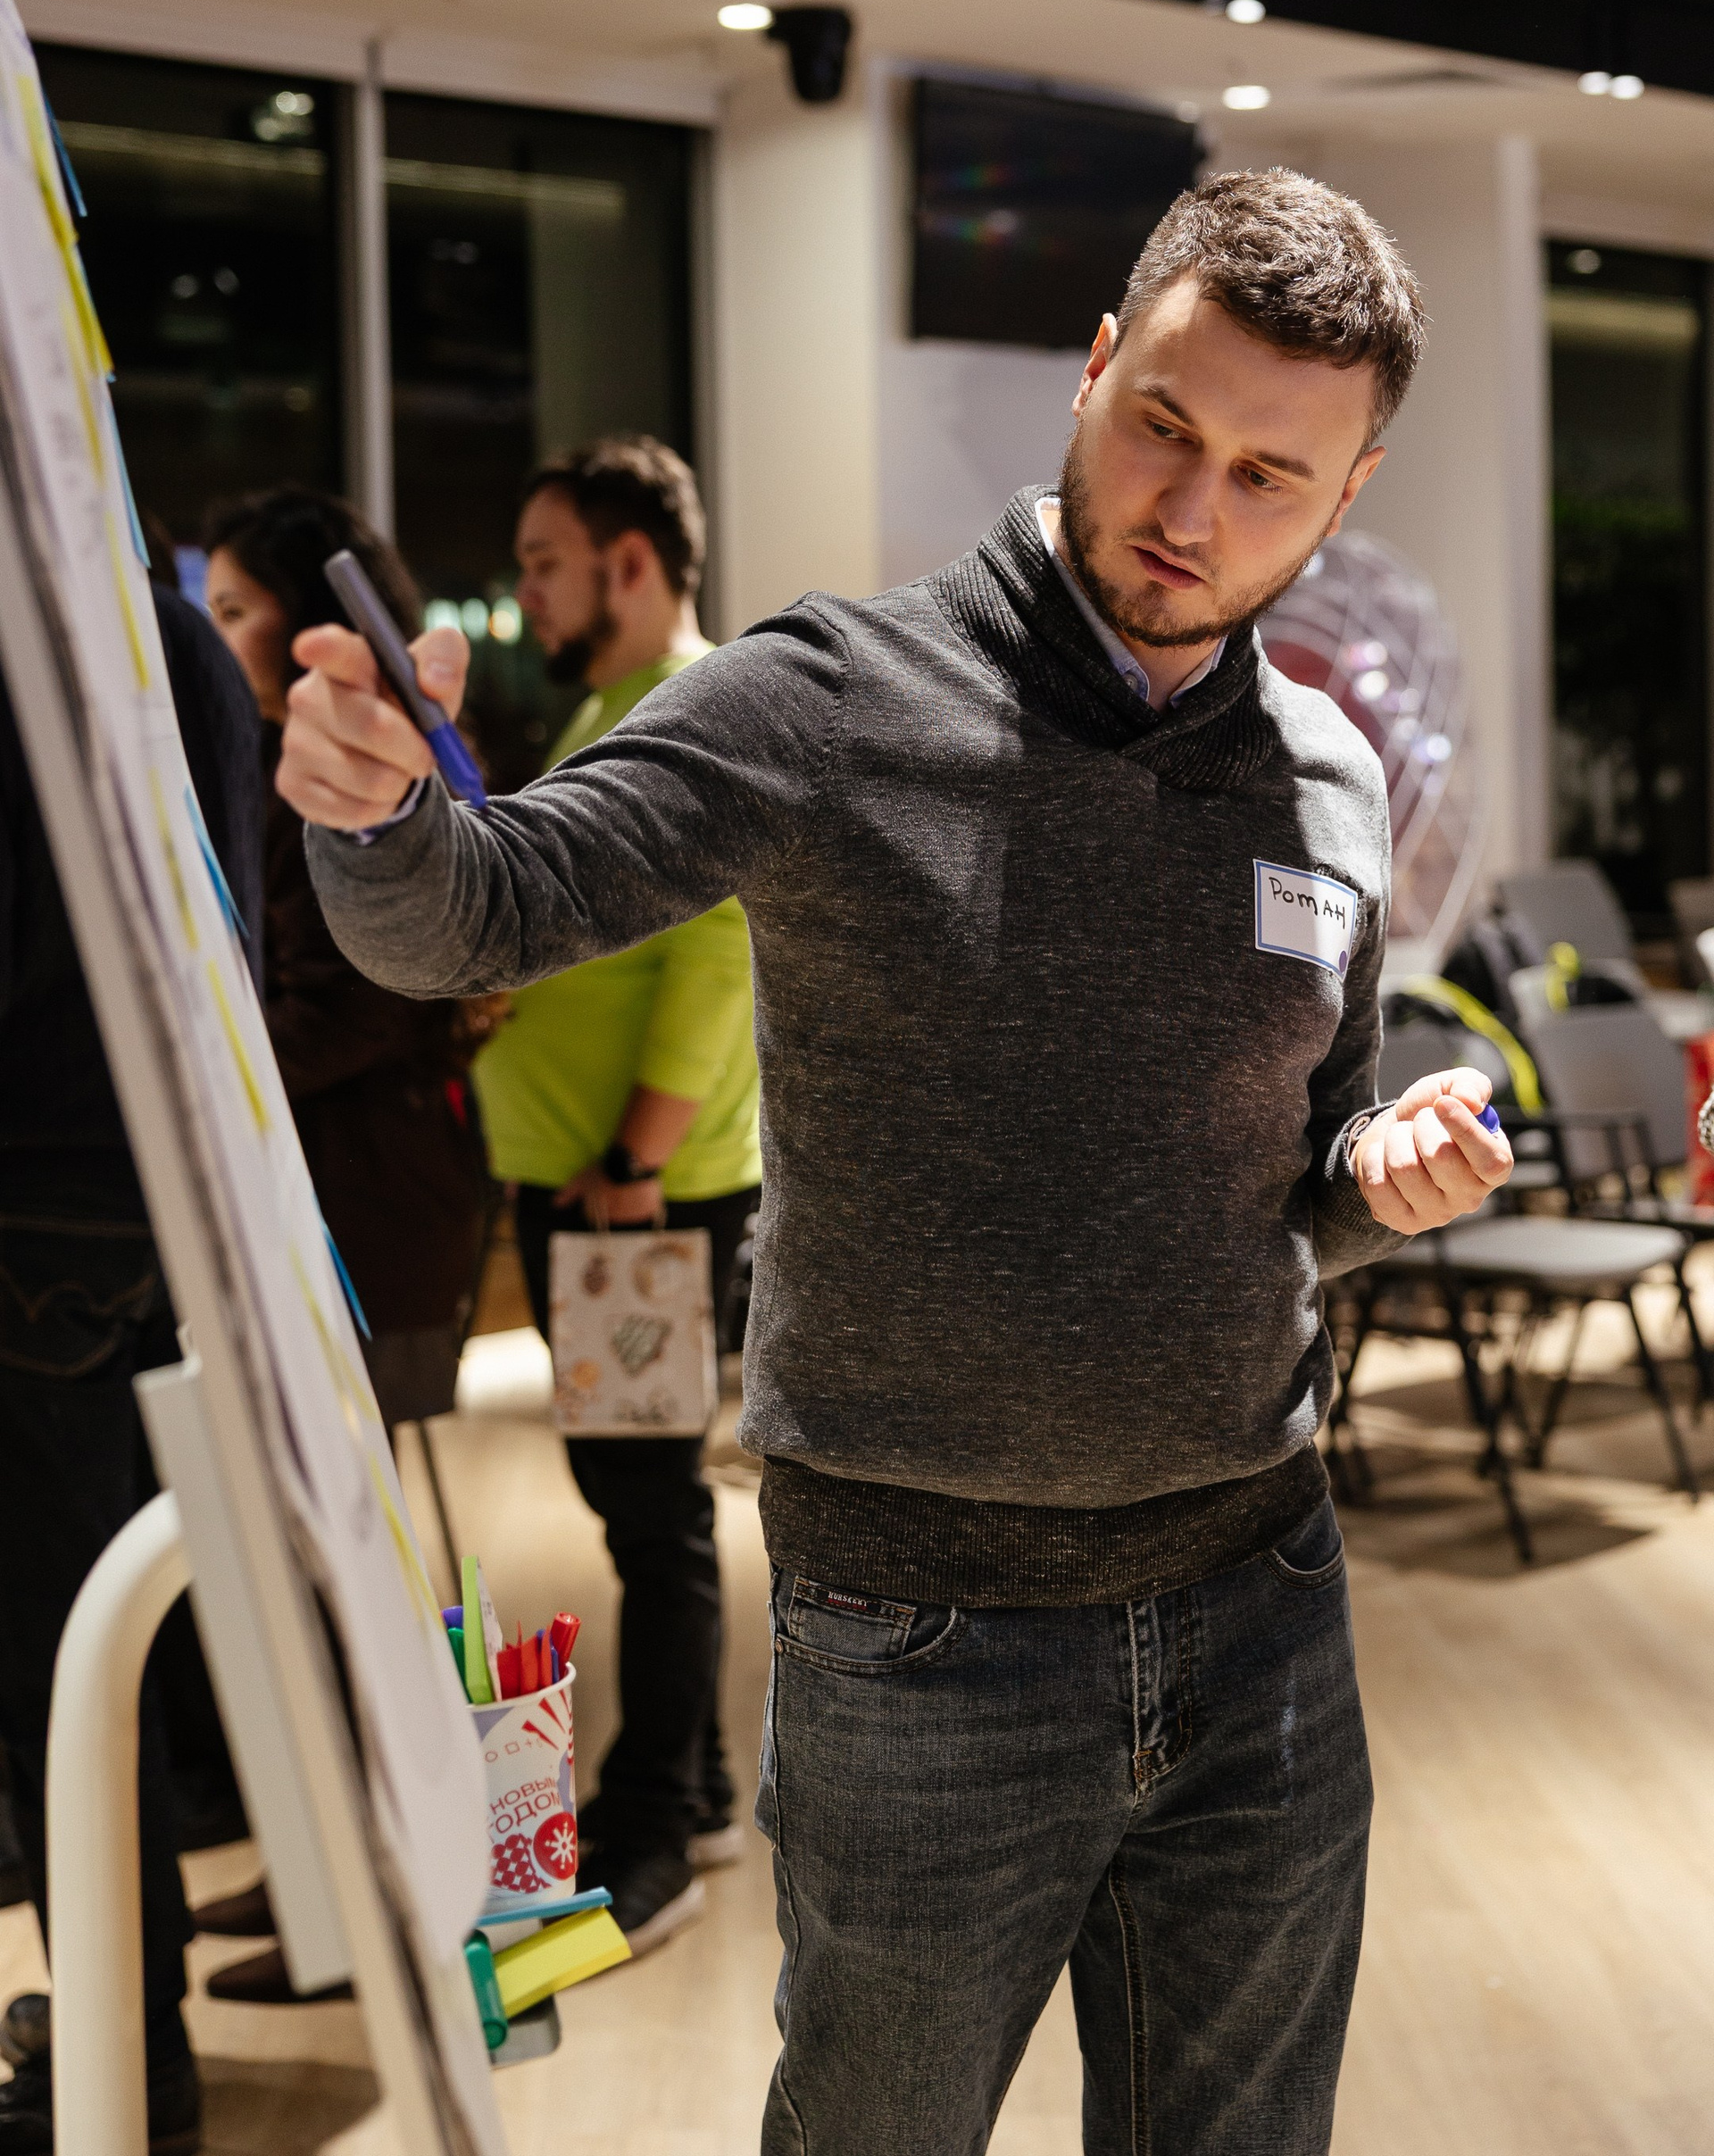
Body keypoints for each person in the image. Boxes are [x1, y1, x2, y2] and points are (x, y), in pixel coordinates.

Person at [276, 171, 1514, 2156]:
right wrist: (376, 818)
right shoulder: (831, 700)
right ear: (1095, 368)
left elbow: (1309, 1180)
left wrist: (1390, 1177)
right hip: (920, 1645)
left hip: (1263, 1607)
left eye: (1271, 477)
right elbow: (474, 911)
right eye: (1165, 427)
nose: (1193, 511)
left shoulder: (1330, 777)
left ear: (1347, 495)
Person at [199, 487, 494, 2002]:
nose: (212, 640)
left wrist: (202, 1051)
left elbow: (351, 1006)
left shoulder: (366, 778)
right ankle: (323, 1869)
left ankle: (374, 1901)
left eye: (235, 612)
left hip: (371, 1212)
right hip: (345, 1198)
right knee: (319, 1563)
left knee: (354, 1561)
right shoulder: (277, 766)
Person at [473, 437, 762, 1954]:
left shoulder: (686, 709)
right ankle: (690, 1789)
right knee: (634, 1503)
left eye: (545, 562)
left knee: (652, 1519)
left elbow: (721, 945)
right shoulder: (617, 709)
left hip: (638, 1204)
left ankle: (655, 1825)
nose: (526, 593)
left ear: (629, 563)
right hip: (604, 1197)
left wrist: (639, 1160)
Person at [0, 568, 263, 2156]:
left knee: (57, 1665)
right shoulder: (172, 635)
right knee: (102, 1653)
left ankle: (128, 2055)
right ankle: (118, 2022)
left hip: (35, 1215)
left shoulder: (47, 626)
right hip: (155, 1197)